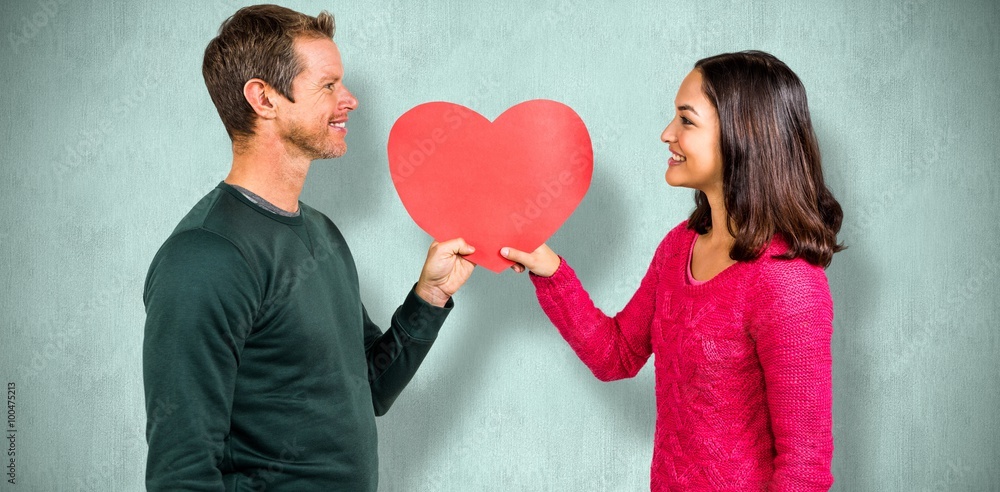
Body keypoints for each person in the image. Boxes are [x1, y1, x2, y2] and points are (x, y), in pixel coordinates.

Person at [142, 5, 475, 490]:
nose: (351, 100)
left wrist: (429, 297)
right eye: (328, 85)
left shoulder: (322, 234)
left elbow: (370, 387)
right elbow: (181, 473)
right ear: (264, 99)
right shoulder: (204, 257)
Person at [502, 51, 842, 490]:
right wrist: (550, 270)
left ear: (743, 135)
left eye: (686, 120)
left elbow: (804, 467)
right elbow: (617, 354)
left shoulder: (788, 283)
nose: (667, 134)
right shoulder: (678, 246)